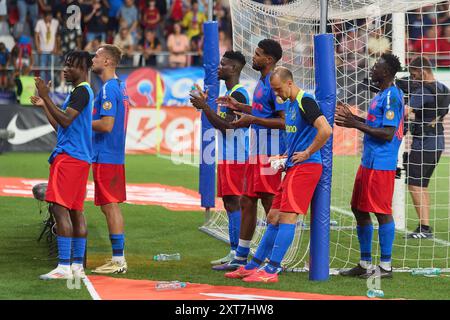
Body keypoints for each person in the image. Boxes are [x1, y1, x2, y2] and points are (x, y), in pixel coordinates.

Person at [225, 66, 332, 282]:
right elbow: (298, 136)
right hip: (293, 167)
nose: (276, 94)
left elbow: (326, 130)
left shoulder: (305, 101)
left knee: (287, 217)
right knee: (273, 217)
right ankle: (253, 266)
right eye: (273, 91)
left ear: (289, 83)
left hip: (307, 167)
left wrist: (308, 152)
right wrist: (285, 156)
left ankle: (271, 270)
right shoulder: (291, 105)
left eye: (278, 89)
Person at [214, 39, 286, 271]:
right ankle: (241, 256)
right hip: (255, 152)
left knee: (269, 203)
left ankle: (275, 260)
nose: (253, 58)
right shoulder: (262, 82)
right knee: (246, 201)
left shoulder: (276, 83)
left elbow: (284, 121)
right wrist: (240, 107)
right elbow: (261, 111)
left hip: (270, 153)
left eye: (257, 54)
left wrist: (252, 118)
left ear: (269, 59)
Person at [335, 53, 404, 279]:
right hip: (369, 161)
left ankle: (385, 266)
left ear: (385, 72)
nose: (372, 69)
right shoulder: (381, 95)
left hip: (382, 163)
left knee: (382, 212)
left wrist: (355, 123)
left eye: (376, 66)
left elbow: (387, 133)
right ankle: (365, 263)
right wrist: (353, 119)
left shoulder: (392, 96)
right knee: (359, 208)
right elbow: (376, 124)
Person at [31, 51, 94, 280]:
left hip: (69, 158)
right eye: (65, 65)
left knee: (59, 209)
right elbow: (62, 127)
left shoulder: (80, 92)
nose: (65, 69)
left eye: (70, 65)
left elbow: (65, 120)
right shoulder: (81, 92)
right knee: (76, 211)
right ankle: (77, 266)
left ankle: (64, 268)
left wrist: (47, 97)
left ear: (83, 68)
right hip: (79, 157)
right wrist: (44, 105)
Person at [190, 50, 250, 267]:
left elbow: (227, 126)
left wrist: (205, 108)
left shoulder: (239, 95)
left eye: (223, 64)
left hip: (238, 157)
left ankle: (240, 254)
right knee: (229, 202)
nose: (218, 67)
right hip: (228, 156)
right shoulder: (229, 93)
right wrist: (206, 107)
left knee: (235, 202)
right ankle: (234, 251)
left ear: (233, 68)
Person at [90, 45, 130, 274]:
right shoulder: (120, 88)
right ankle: (117, 257)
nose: (93, 59)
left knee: (110, 205)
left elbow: (106, 125)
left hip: (106, 155)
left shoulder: (108, 89)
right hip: (113, 154)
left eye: (96, 56)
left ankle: (118, 260)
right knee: (108, 206)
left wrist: (80, 124)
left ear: (107, 61)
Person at [405, 56, 450, 239]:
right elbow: (435, 115)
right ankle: (424, 227)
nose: (413, 78)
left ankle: (424, 228)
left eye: (414, 74)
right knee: (422, 185)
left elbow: (405, 111)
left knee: (414, 184)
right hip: (438, 143)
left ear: (422, 71)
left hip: (424, 142)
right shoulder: (445, 89)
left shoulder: (423, 91)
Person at [34, 11, 59, 83]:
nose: (49, 18)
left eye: (50, 16)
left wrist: (55, 47)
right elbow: (36, 35)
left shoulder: (55, 22)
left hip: (52, 50)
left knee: (51, 70)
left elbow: (56, 36)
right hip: (43, 50)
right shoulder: (39, 23)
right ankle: (42, 85)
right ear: (44, 17)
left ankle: (51, 86)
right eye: (48, 16)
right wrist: (38, 47)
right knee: (43, 69)